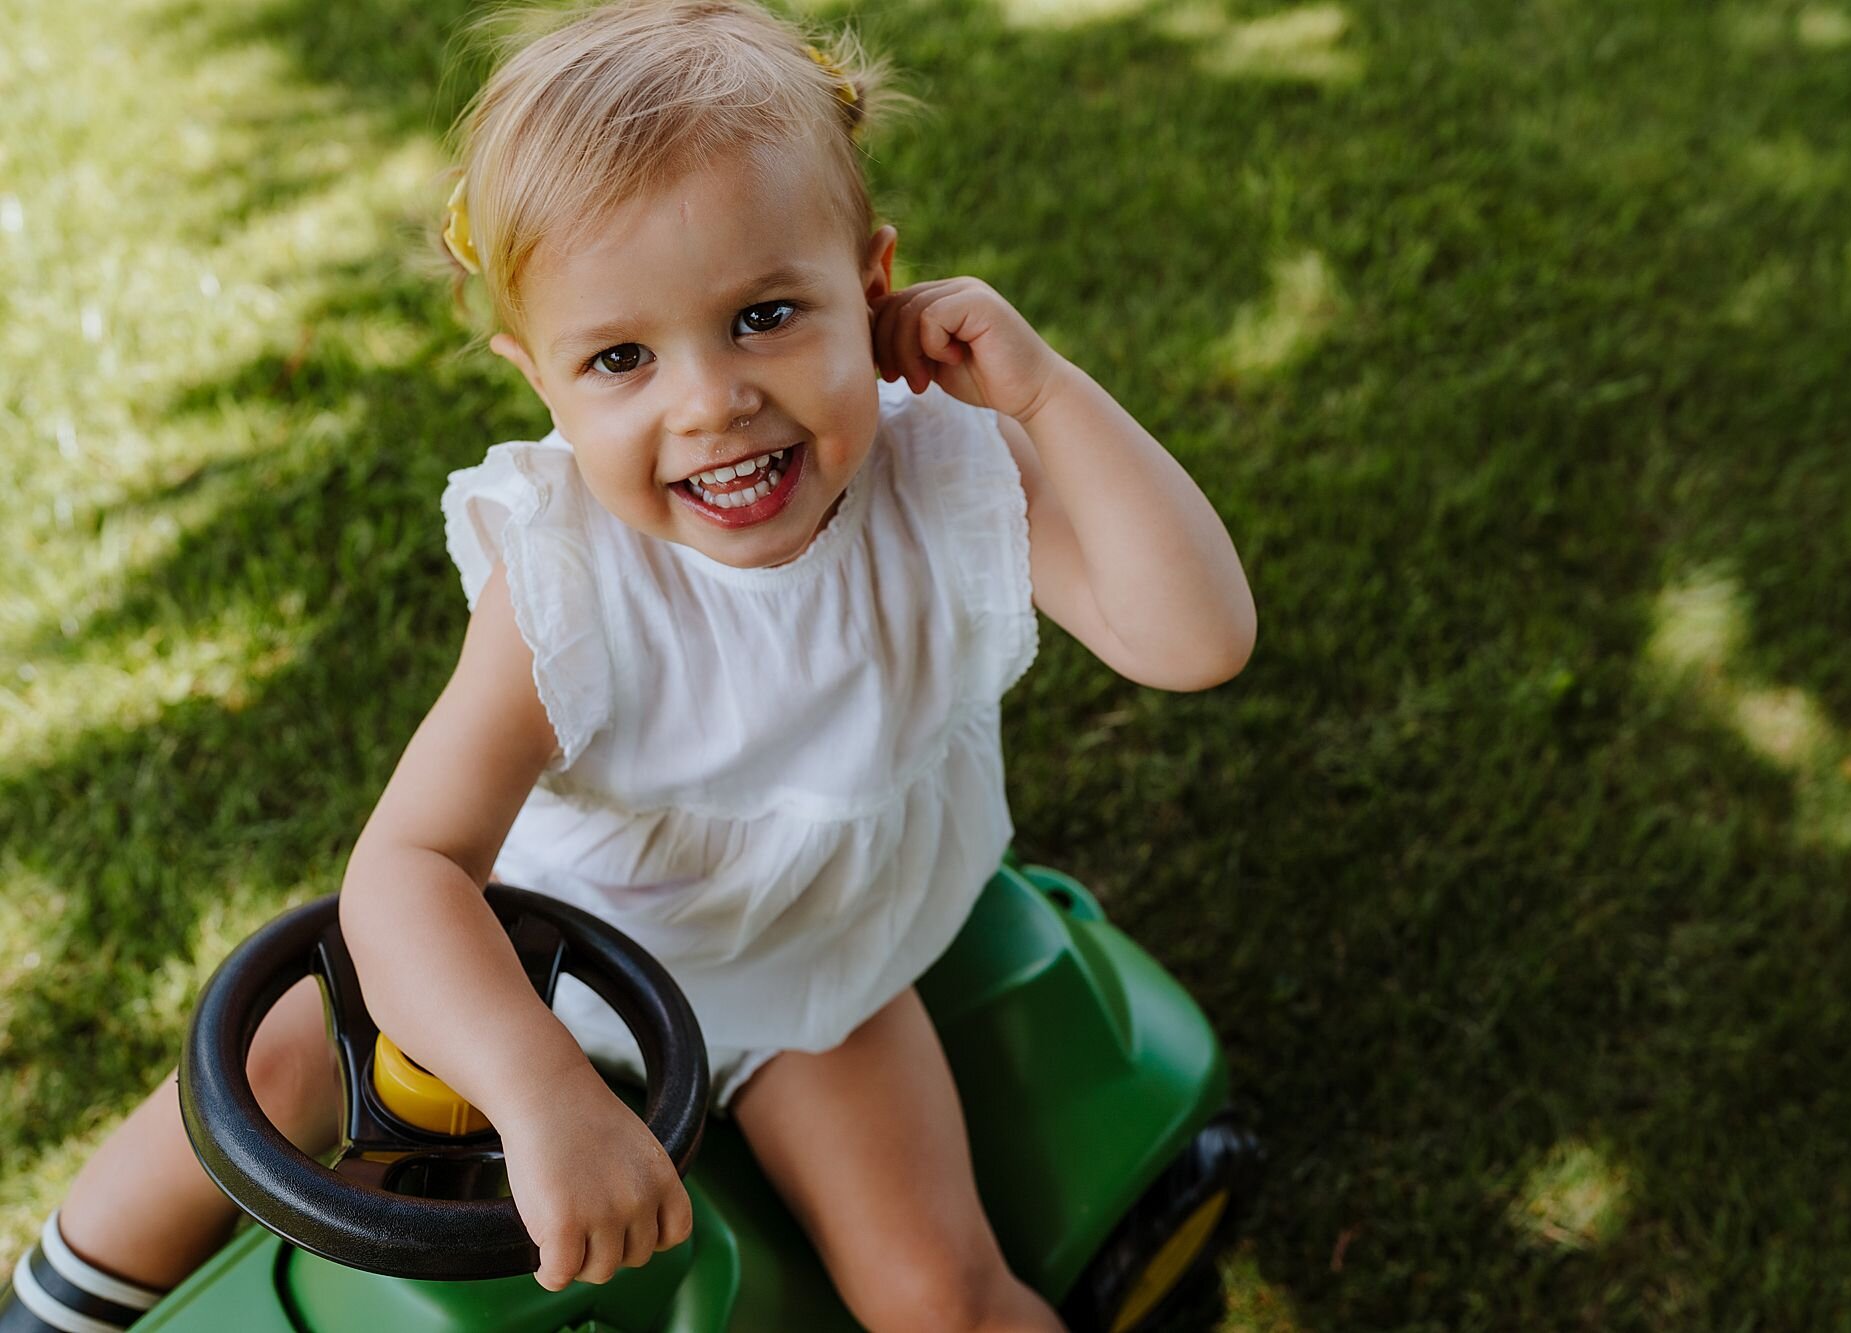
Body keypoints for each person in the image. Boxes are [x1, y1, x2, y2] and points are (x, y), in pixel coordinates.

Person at [0, 1, 1256, 1328]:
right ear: (541, 380)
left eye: (765, 314)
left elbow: (1195, 637)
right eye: (621, 357)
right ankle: (61, 1301)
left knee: (935, 1289)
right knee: (280, 1047)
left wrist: (1048, 393)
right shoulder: (575, 583)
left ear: (875, 289)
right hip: (550, 945)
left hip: (809, 969)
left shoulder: (940, 473)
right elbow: (410, 867)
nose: (710, 400)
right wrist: (540, 1086)